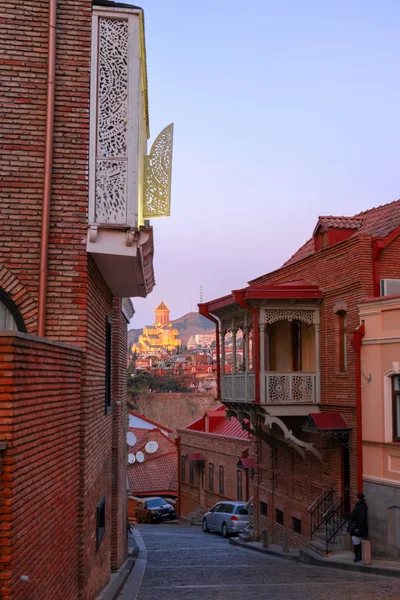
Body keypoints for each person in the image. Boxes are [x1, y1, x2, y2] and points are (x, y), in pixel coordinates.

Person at [349, 493, 368, 562]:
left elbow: (360, 517)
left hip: (358, 527)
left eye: (356, 498)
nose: (355, 499)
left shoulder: (361, 506)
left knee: (356, 542)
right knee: (357, 542)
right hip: (359, 526)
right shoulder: (361, 506)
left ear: (358, 499)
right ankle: (359, 556)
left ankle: (357, 556)